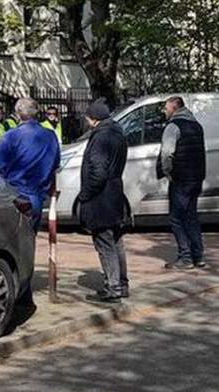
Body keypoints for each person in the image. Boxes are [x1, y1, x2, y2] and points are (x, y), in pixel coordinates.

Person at [0, 97, 60, 307]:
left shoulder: (11, 136)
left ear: (18, 114)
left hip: (16, 196)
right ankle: (23, 290)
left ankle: (19, 294)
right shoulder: (49, 136)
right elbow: (56, 163)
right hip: (37, 197)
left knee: (9, 246)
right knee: (28, 244)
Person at [77, 101, 131, 303]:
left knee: (105, 242)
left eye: (87, 118)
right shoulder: (118, 133)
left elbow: (98, 171)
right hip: (115, 193)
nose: (86, 121)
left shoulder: (101, 137)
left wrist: (85, 194)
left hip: (102, 197)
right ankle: (121, 284)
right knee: (116, 240)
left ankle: (113, 287)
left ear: (94, 118)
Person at [158, 96, 207, 269]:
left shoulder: (173, 126)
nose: (164, 111)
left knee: (176, 218)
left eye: (166, 108)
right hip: (196, 177)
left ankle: (185, 257)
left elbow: (167, 154)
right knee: (191, 217)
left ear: (174, 108)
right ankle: (198, 256)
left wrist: (167, 172)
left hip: (180, 178)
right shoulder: (196, 126)